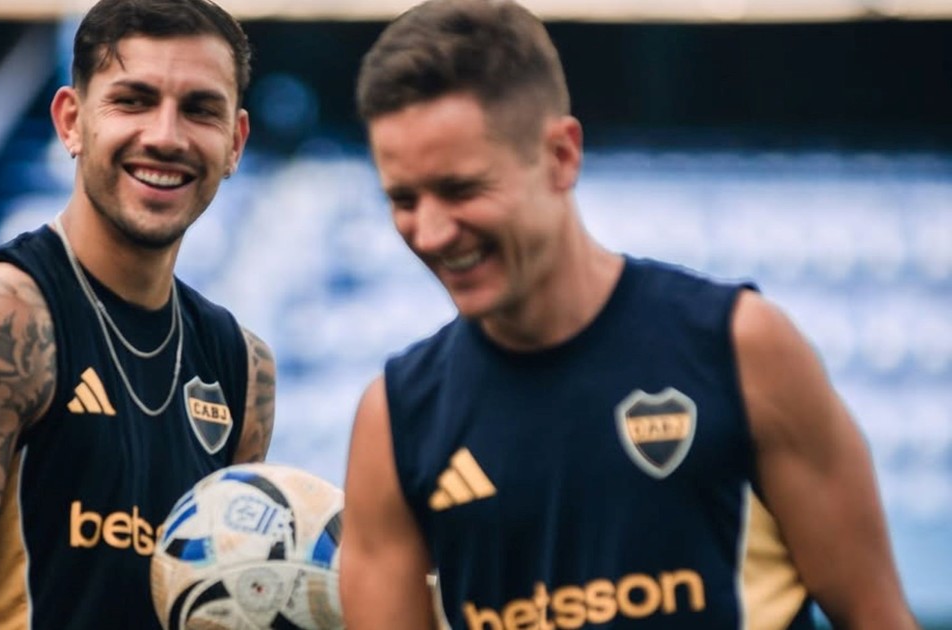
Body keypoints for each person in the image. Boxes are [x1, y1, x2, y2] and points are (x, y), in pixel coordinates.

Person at [339, 1, 917, 628]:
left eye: (461, 190)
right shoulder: (394, 421)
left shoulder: (741, 347)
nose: (429, 232)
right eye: (403, 199)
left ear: (561, 155)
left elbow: (876, 616)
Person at [0, 0, 275, 628]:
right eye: (133, 101)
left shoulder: (243, 367)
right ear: (71, 121)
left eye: (200, 109)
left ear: (235, 143)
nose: (166, 136)